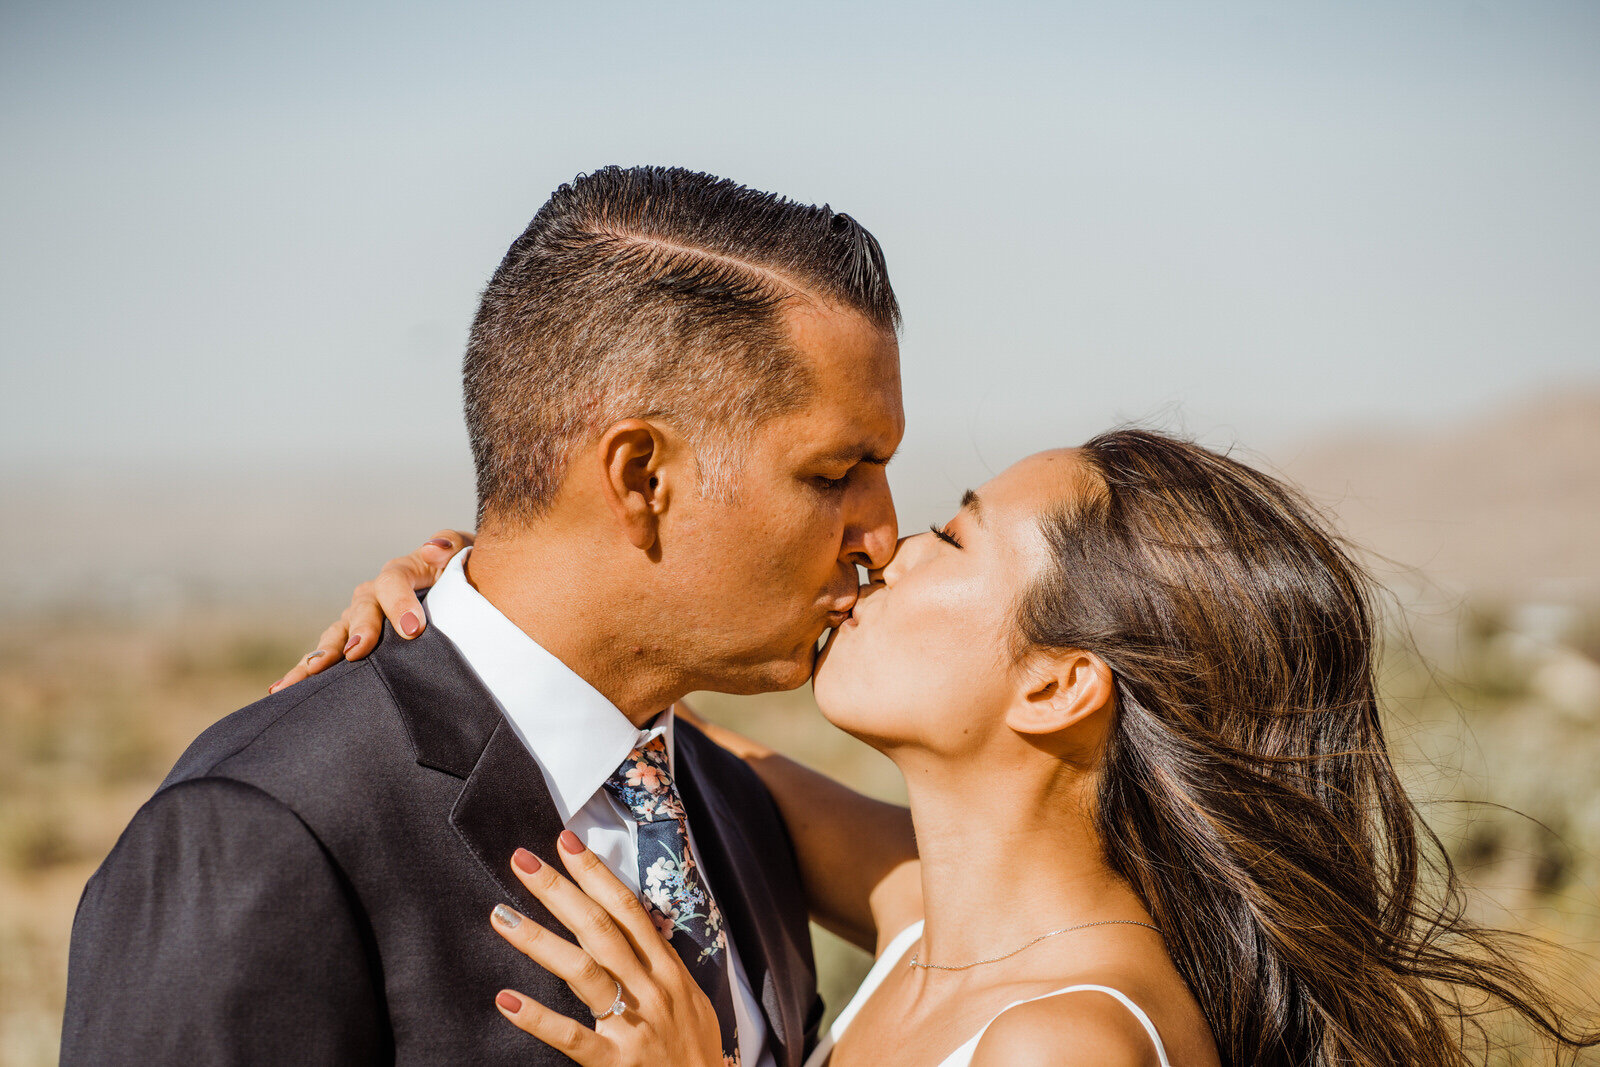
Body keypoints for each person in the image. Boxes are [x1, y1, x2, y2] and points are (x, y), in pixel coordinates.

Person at [300, 432, 1599, 1066]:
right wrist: (483, 604)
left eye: (960, 538)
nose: (895, 545)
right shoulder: (933, 907)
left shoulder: (1069, 1040)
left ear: (1056, 681)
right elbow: (647, 736)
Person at [61, 165, 904, 1065]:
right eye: (832, 475)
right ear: (641, 479)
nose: (882, 534)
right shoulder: (261, 833)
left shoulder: (729, 805)